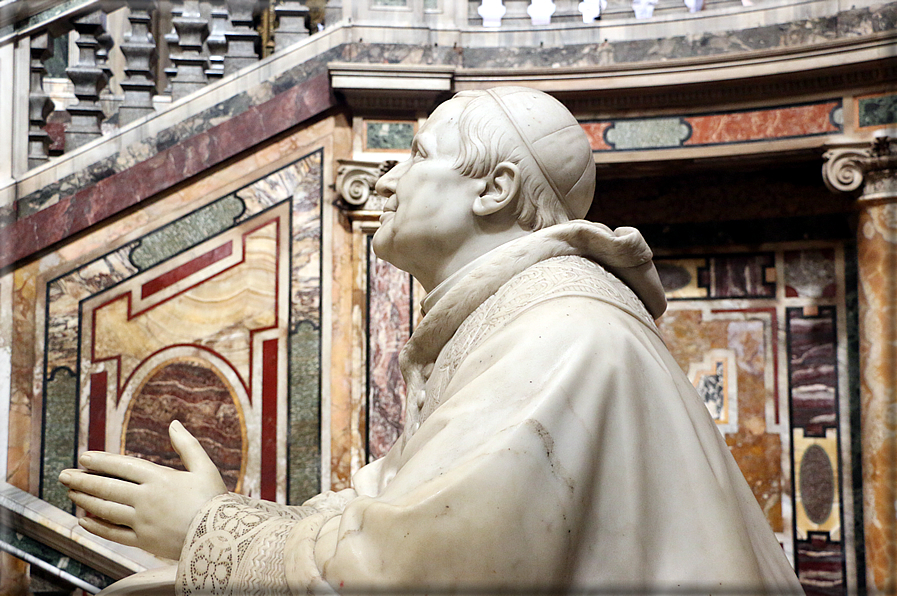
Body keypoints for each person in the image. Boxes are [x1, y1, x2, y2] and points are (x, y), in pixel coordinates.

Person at [59, 87, 804, 595]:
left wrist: (208, 533)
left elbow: (412, 570)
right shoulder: (525, 317)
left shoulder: (561, 332)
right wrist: (208, 539)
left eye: (417, 154)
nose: (386, 177)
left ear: (494, 190)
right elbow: (386, 506)